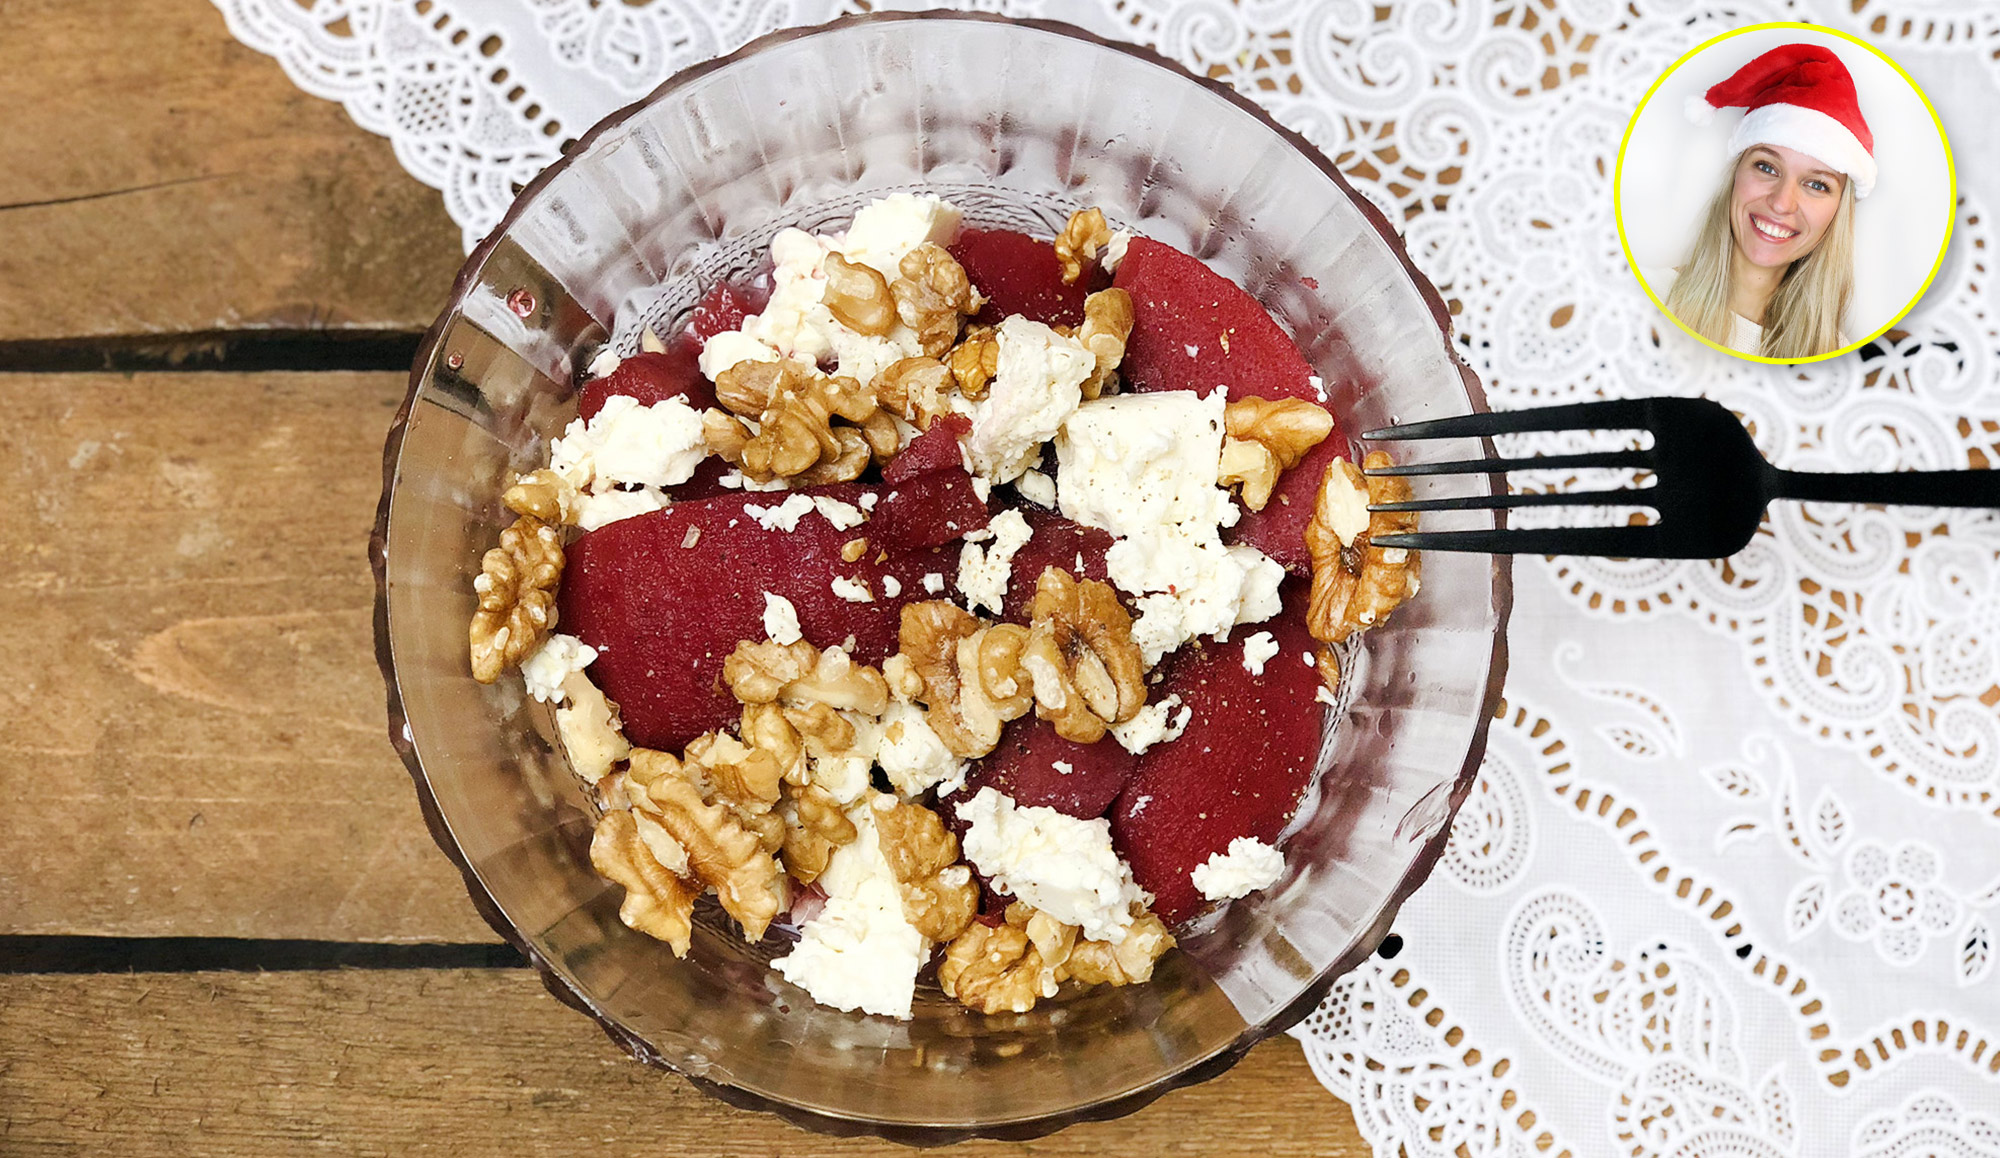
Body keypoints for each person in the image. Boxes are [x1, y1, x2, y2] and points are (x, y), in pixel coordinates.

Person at [1648, 44, 1876, 359]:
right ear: (1736, 175)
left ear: (1839, 211)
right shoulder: (1643, 296)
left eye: (1816, 184)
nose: (1782, 203)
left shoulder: (1841, 360)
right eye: (1767, 167)